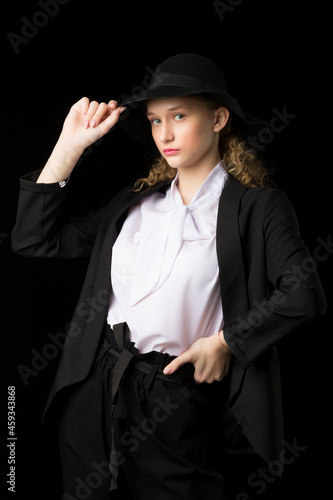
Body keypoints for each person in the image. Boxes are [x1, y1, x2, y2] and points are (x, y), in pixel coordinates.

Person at [11, 53, 326, 500]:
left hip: (173, 397)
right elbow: (34, 239)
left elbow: (303, 294)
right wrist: (69, 147)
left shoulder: (258, 208)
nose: (166, 134)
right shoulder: (135, 204)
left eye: (179, 116)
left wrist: (226, 342)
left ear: (218, 119)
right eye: (156, 121)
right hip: (94, 386)